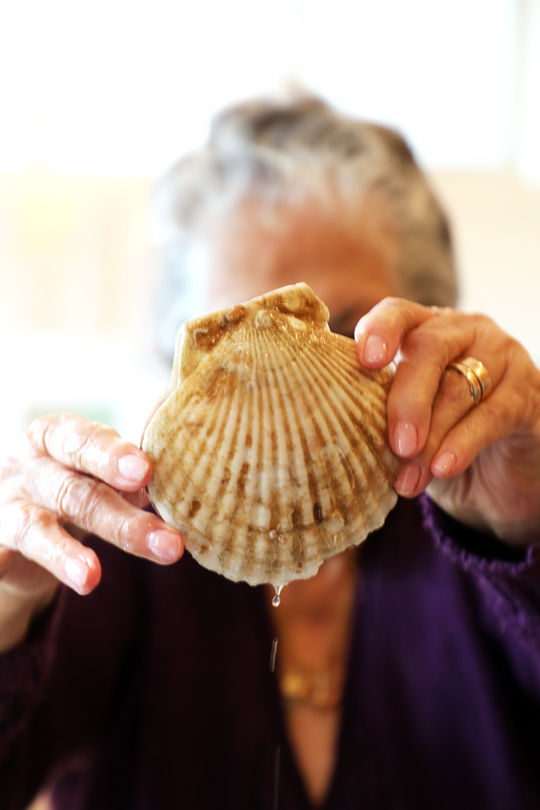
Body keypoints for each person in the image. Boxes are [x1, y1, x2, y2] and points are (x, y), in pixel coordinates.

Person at [1, 93, 540, 810]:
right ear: (178, 361)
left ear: (425, 330)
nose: (293, 400)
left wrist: (526, 524)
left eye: (344, 333)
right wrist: (11, 602)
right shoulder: (123, 557)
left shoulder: (482, 534)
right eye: (238, 344)